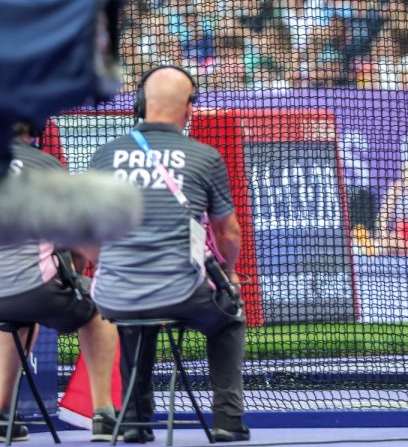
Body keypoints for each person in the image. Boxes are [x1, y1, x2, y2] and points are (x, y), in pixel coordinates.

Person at [89, 66, 249, 443]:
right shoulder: (204, 156)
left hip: (115, 295)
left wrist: (110, 264)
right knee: (229, 312)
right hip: (181, 292)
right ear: (189, 108)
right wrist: (228, 272)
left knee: (134, 315)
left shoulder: (104, 155)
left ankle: (134, 419)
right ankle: (227, 419)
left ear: (140, 104)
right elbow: (228, 232)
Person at [0, 123, 119, 442]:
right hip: (32, 290)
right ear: (33, 128)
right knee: (98, 307)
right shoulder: (45, 165)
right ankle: (104, 413)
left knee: (15, 318)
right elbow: (78, 241)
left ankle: (1, 413)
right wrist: (83, 274)